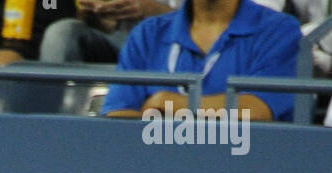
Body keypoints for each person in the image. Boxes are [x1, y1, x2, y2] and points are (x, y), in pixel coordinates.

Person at [100, 0, 301, 120]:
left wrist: (167, 103)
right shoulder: (147, 34)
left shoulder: (279, 30)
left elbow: (258, 110)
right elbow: (117, 113)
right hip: (158, 171)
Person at [40, 0, 174, 69]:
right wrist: (97, 15)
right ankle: (48, 118)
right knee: (62, 32)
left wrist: (155, 11)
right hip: (120, 40)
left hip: (170, 45)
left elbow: (193, 23)